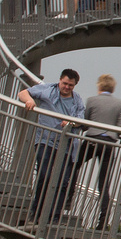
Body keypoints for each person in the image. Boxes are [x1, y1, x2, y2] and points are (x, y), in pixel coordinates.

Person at [19, 68, 85, 226]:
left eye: (71, 85)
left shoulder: (77, 100)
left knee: (62, 182)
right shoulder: (48, 89)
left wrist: (71, 122)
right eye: (65, 83)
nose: (67, 87)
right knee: (44, 176)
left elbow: (80, 120)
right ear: (60, 80)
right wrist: (29, 100)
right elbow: (23, 93)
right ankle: (36, 213)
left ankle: (54, 217)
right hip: (45, 140)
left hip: (66, 145)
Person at [81, 74, 121, 230]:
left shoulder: (92, 100)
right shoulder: (120, 103)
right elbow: (120, 126)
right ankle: (102, 222)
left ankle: (66, 200)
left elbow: (85, 123)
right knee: (104, 184)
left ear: (99, 86)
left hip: (92, 139)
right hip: (109, 143)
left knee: (72, 165)